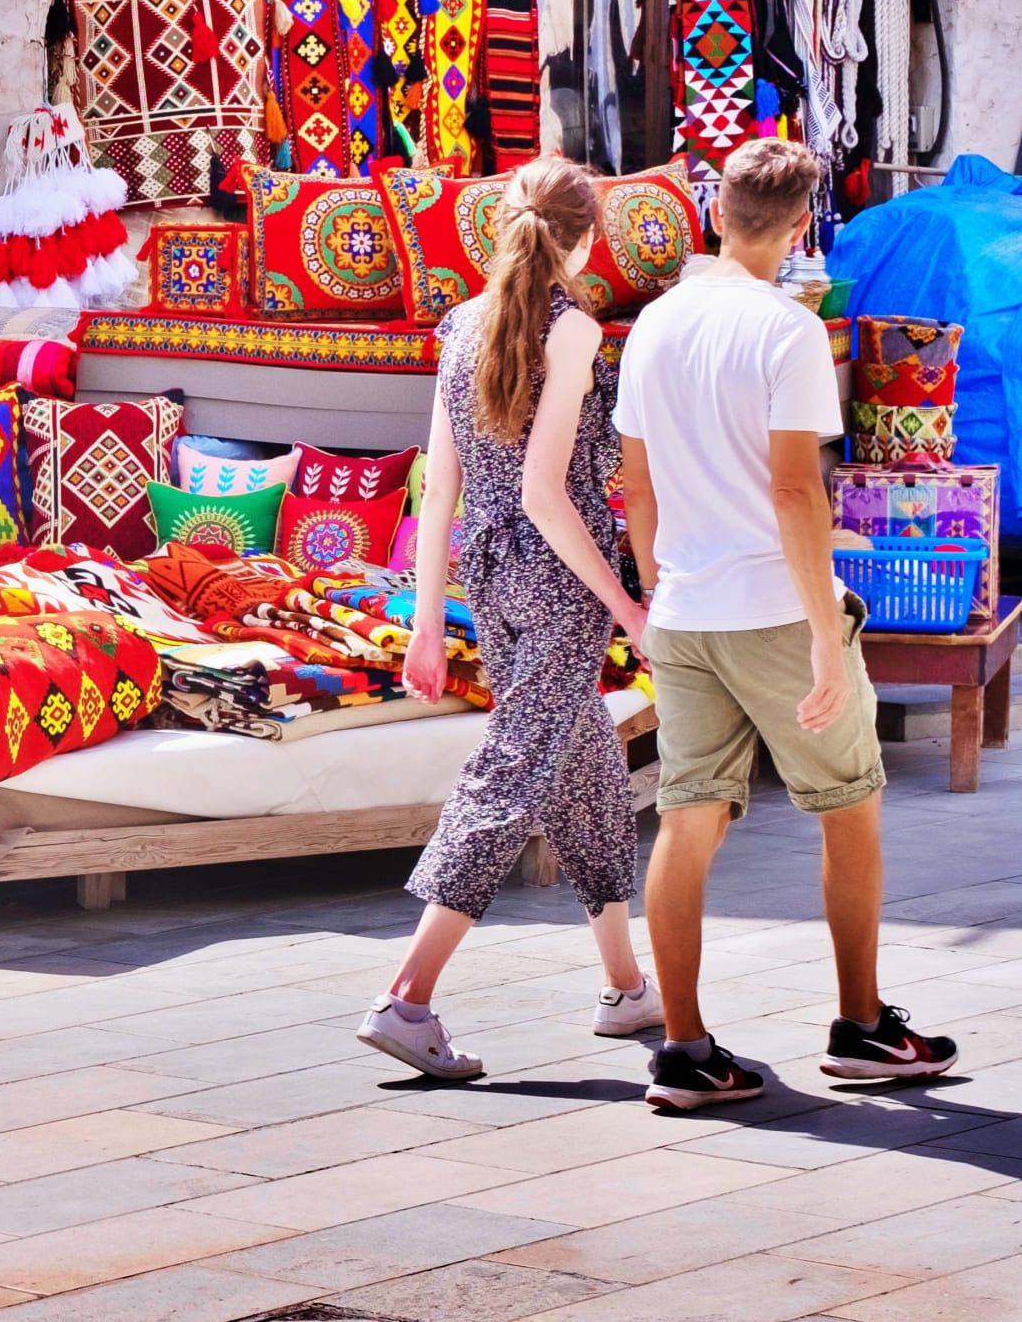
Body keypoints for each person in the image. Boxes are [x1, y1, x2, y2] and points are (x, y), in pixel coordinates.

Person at [617, 138, 956, 1110]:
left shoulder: (652, 325)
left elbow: (635, 488)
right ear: (802, 226)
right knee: (849, 808)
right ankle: (859, 1026)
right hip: (772, 608)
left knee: (686, 823)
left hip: (683, 608)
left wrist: (656, 598)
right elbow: (793, 489)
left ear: (714, 213)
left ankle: (683, 1049)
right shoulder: (788, 331)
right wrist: (821, 631)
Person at [358, 157, 660, 1079]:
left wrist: (421, 621)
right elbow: (544, 492)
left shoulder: (460, 323)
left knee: (586, 767)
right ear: (585, 239)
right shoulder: (574, 332)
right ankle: (408, 997)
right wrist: (625, 605)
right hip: (559, 582)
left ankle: (626, 985)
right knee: (512, 773)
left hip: (491, 582)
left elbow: (438, 487)